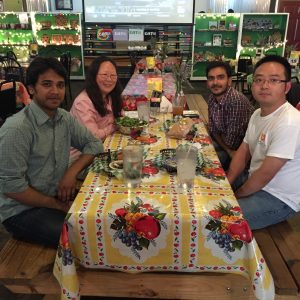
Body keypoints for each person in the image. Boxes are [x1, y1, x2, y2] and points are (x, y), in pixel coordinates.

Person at [0, 57, 103, 248]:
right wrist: (57, 205)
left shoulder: (63, 118)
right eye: (47, 84)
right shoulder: (17, 129)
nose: (55, 91)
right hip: (22, 211)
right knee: (83, 238)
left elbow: (94, 144)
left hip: (56, 195)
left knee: (105, 218)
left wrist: (71, 173)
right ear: (31, 88)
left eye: (60, 85)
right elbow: (12, 188)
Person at [227, 55, 300, 230]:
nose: (264, 85)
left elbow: (266, 174)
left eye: (274, 80)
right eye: (259, 80)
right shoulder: (257, 113)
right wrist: (227, 181)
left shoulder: (289, 122)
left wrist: (236, 196)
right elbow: (243, 151)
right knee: (206, 187)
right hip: (255, 181)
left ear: (286, 87)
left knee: (220, 219)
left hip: (278, 198)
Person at [70, 56, 123, 161]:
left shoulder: (110, 96)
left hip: (103, 147)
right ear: (93, 76)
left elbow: (121, 116)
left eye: (113, 75)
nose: (109, 79)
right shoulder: (83, 102)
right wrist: (114, 126)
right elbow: (94, 137)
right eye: (104, 75)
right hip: (82, 157)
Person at [206, 61, 254, 170]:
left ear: (229, 81)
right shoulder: (212, 98)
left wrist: (220, 137)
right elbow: (213, 130)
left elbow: (231, 143)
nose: (215, 82)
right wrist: (219, 135)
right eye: (211, 78)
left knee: (200, 160)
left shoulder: (236, 101)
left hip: (242, 159)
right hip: (226, 148)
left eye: (220, 77)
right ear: (207, 82)